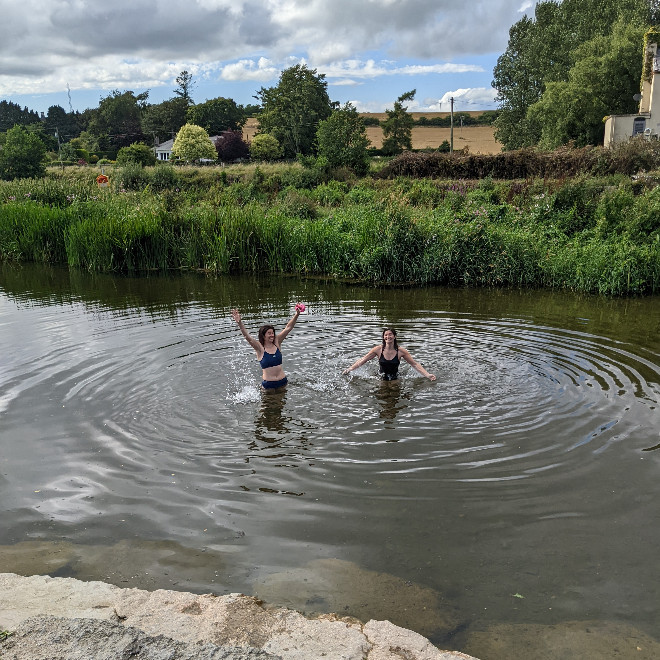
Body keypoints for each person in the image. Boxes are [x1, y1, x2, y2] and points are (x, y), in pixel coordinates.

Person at [231, 306, 302, 390]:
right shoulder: (259, 348)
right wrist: (240, 323)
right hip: (268, 386)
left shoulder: (277, 342)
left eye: (273, 333)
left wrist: (297, 314)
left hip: (283, 383)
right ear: (263, 335)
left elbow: (288, 328)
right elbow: (247, 337)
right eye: (269, 333)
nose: (272, 335)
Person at [343, 328, 436, 381]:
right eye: (386, 335)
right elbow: (363, 360)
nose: (388, 337)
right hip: (380, 377)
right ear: (383, 337)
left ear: (394, 336)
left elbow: (414, 364)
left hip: (395, 378)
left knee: (394, 392)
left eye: (390, 334)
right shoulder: (378, 349)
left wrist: (427, 375)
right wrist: (350, 369)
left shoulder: (401, 351)